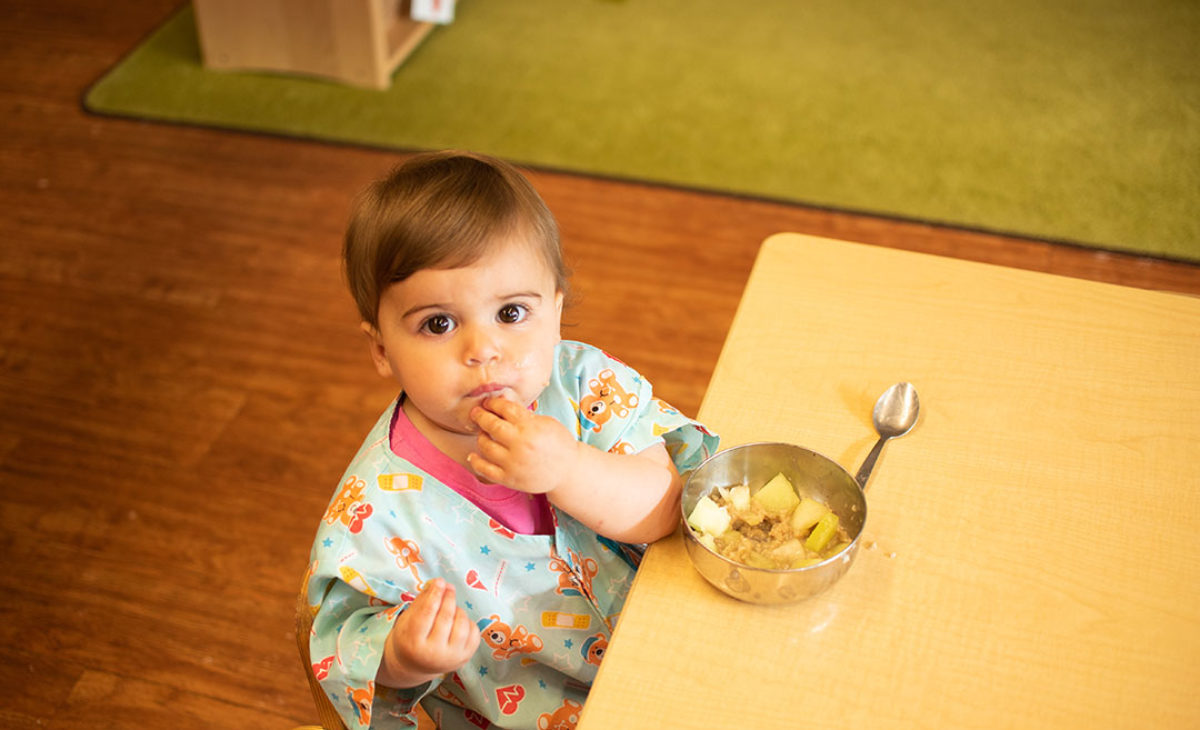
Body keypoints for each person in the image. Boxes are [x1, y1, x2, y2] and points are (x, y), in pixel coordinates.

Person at [303, 151, 718, 729]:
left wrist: (568, 469)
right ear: (381, 349)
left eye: (511, 312)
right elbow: (339, 648)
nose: (483, 349)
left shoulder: (584, 386)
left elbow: (666, 508)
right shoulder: (376, 508)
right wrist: (402, 654)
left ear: (555, 310)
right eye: (438, 324)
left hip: (681, 647)